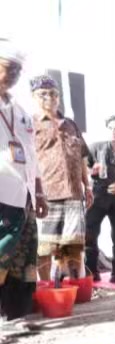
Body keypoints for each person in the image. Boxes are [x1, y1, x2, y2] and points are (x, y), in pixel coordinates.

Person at [0, 39, 47, 322]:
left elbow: (32, 155)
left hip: (24, 194)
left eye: (18, 70)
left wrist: (39, 194)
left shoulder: (21, 112)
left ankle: (11, 313)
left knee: (21, 259)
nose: (14, 74)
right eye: (8, 67)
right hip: (2, 192)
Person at [31, 75, 92, 282]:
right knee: (46, 246)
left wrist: (88, 185)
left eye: (53, 93)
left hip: (75, 194)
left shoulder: (71, 124)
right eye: (43, 94)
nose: (49, 97)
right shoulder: (31, 125)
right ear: (33, 97)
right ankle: (47, 285)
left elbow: (82, 156)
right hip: (47, 194)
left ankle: (73, 285)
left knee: (73, 245)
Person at [85, 116, 115, 284]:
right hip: (98, 196)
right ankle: (91, 272)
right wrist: (92, 171)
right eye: (111, 128)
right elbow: (83, 168)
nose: (114, 132)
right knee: (90, 235)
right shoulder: (95, 147)